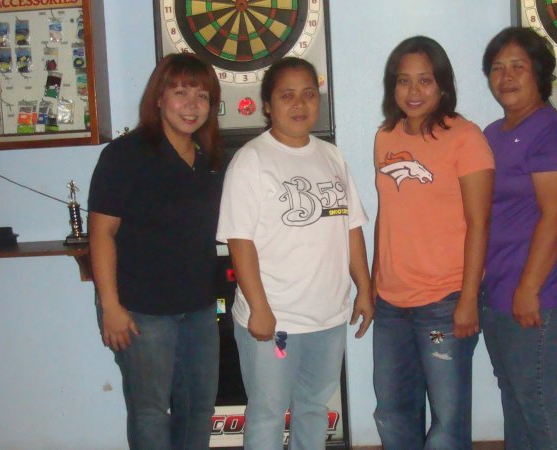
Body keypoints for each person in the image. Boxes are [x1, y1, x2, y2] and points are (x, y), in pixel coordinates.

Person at [216, 57, 373, 450]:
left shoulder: (331, 156)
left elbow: (351, 228)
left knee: (314, 409)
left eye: (308, 94)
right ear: (268, 105)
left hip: (328, 317)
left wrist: (365, 289)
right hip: (276, 320)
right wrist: (259, 308)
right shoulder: (251, 160)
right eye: (287, 95)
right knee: (268, 412)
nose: (299, 104)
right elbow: (239, 241)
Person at [88, 53, 224, 450]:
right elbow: (101, 234)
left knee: (198, 408)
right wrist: (111, 307)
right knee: (150, 411)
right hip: (140, 311)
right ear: (159, 98)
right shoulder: (125, 155)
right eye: (180, 92)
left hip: (199, 308)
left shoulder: (211, 159)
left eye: (202, 95)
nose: (192, 104)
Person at [372, 36, 495, 450]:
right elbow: (387, 215)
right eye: (403, 80)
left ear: (442, 85)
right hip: (390, 303)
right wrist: (373, 283)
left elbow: (480, 223)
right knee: (392, 412)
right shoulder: (385, 137)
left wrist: (469, 299)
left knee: (447, 423)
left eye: (425, 80)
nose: (414, 90)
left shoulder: (465, 137)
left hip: (444, 301)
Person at [480, 27, 557, 450]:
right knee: (514, 393)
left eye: (518, 66)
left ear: (539, 73)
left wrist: (529, 289)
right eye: (497, 68)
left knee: (537, 399)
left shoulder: (552, 133)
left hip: (537, 291)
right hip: (498, 287)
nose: (506, 76)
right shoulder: (492, 134)